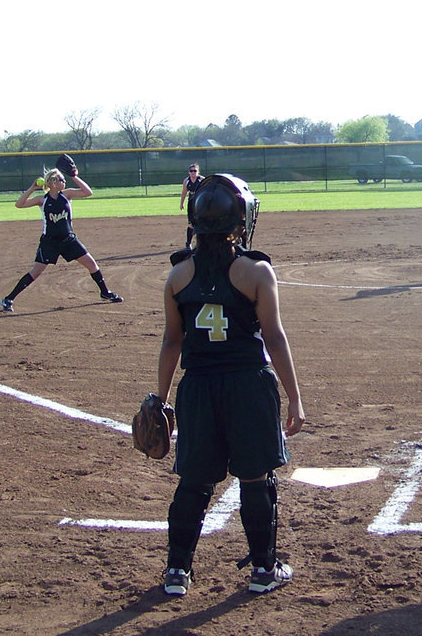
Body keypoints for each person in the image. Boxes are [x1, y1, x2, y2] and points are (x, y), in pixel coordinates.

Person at [155, 173, 305, 597]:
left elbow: (171, 341)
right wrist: (295, 397)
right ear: (240, 222)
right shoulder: (256, 271)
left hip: (198, 389)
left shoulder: (177, 275)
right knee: (256, 478)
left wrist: (160, 399)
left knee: (194, 481)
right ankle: (263, 570)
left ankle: (176, 572)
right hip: (247, 387)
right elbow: (274, 337)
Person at [0, 167, 123, 312]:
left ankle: (105, 292)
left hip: (69, 240)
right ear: (52, 182)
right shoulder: (42, 200)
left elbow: (88, 192)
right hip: (50, 242)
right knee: (35, 272)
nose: (64, 181)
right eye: (61, 179)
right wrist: (32, 188)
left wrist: (74, 176)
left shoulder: (67, 194)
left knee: (91, 264)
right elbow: (19, 204)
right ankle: (9, 298)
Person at [178, 163, 206, 248]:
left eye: (195, 171)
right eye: (191, 171)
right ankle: (188, 243)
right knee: (190, 224)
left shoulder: (202, 180)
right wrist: (181, 203)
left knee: (201, 222)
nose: (193, 173)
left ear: (198, 172)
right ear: (189, 172)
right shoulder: (186, 181)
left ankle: (201, 242)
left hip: (200, 203)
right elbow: (184, 192)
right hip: (191, 202)